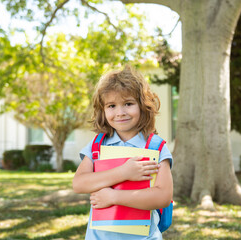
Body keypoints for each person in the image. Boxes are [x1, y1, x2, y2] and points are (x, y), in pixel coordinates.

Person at [73, 65, 173, 240]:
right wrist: (123, 172)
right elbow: (79, 183)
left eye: (128, 103)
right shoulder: (97, 146)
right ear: (103, 110)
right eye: (111, 106)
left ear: (143, 106)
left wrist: (113, 196)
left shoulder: (155, 147)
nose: (120, 112)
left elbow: (163, 196)